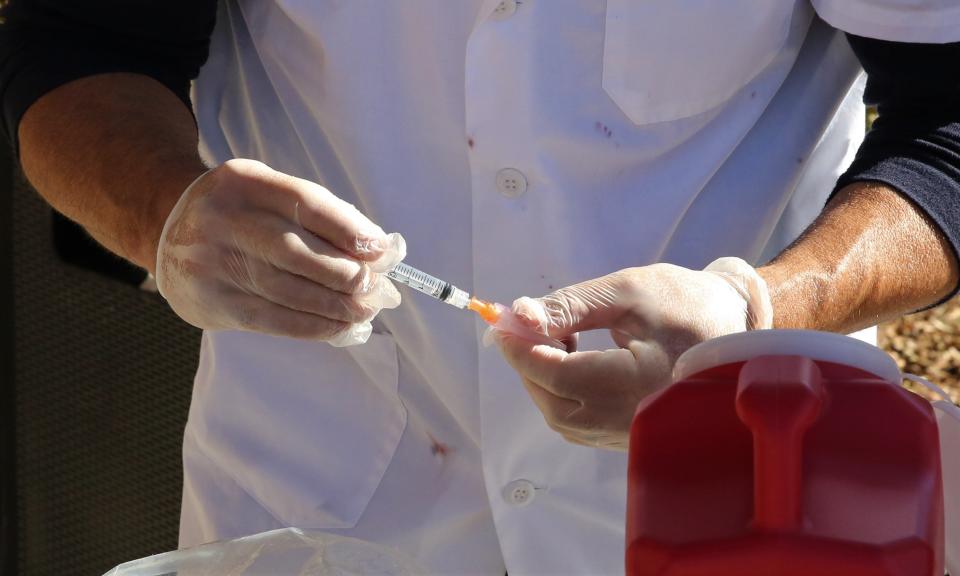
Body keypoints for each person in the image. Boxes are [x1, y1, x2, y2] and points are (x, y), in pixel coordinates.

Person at [2, 1, 959, 574]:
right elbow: (78, 41)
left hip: (741, 484)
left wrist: (757, 308)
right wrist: (165, 216)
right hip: (315, 498)